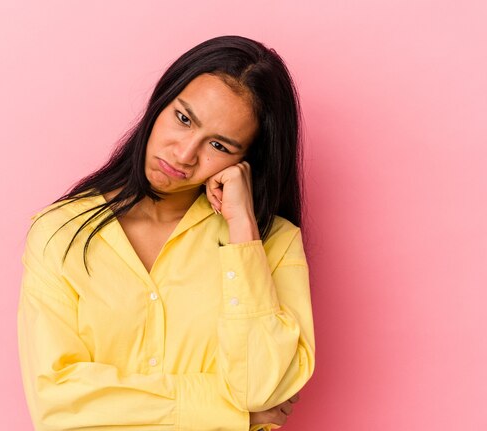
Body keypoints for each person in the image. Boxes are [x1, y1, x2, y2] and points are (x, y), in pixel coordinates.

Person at [17, 35, 315, 431]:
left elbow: (260, 390)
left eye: (218, 145)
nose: (184, 154)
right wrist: (228, 414)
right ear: (161, 101)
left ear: (245, 161)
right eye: (184, 118)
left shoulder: (272, 243)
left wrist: (242, 229)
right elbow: (56, 402)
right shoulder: (60, 232)